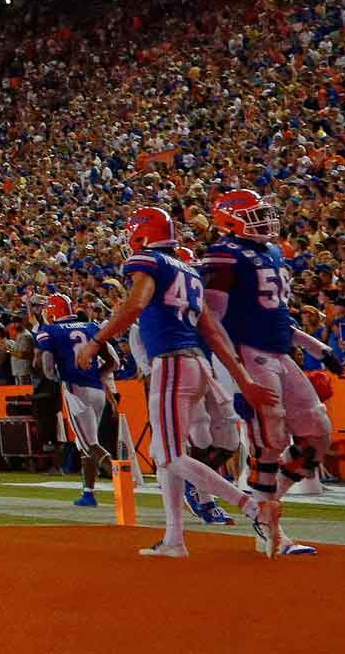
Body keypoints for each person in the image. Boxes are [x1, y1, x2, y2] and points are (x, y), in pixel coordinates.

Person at [79, 207, 268, 559]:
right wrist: (240, 376)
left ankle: (251, 505)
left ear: (142, 234)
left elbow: (135, 304)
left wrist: (97, 340)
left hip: (171, 362)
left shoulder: (149, 262)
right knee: (170, 456)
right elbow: (211, 331)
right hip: (197, 363)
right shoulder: (189, 271)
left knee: (166, 454)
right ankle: (174, 538)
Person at [204, 188, 333, 556]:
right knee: (270, 437)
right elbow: (211, 321)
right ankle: (268, 530)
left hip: (279, 351)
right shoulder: (223, 255)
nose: (263, 219)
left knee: (317, 434)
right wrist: (234, 373)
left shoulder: (272, 252)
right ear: (230, 219)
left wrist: (319, 349)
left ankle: (265, 503)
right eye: (253, 213)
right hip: (248, 352)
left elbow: (278, 315)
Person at [34, 293, 112, 506]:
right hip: (96, 389)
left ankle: (122, 473)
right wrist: (97, 376)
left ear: (51, 312)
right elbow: (113, 361)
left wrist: (62, 379)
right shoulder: (91, 326)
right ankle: (88, 493)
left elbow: (49, 369)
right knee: (86, 444)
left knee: (90, 443)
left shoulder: (48, 330)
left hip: (74, 389)